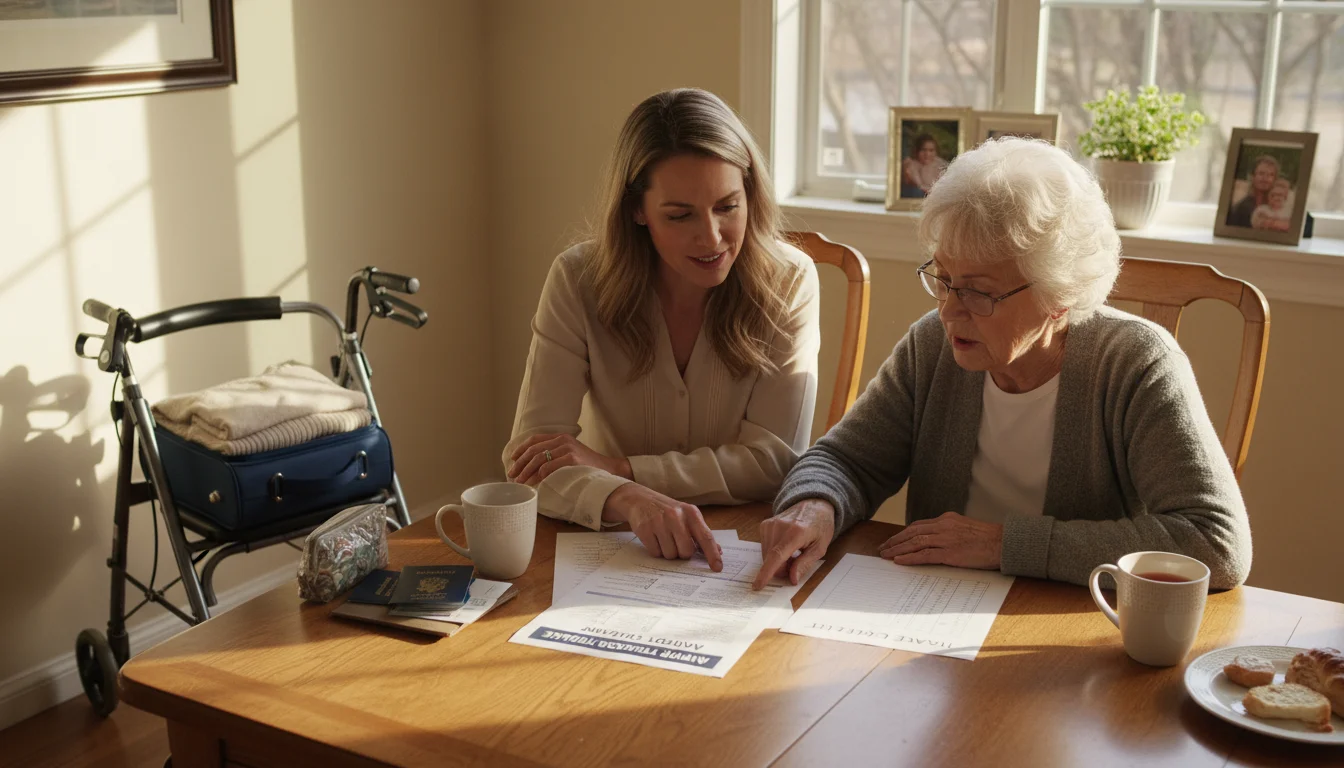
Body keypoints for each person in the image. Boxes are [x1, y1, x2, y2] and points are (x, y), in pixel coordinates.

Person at [753, 137, 1252, 591]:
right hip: (930, 611)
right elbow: (846, 460)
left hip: (1064, 630)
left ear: (1061, 296)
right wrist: (814, 505)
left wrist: (1004, 546)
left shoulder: (1137, 363)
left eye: (979, 291)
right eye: (944, 278)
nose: (950, 309)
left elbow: (1215, 542)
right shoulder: (932, 346)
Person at [504, 88, 821, 572]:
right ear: (637, 211)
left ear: (750, 194)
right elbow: (532, 464)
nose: (712, 237)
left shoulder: (789, 280)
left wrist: (622, 470)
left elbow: (773, 463)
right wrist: (629, 500)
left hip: (743, 552)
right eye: (680, 216)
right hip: (610, 546)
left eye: (727, 206)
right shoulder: (577, 279)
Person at [1226, 154, 1280, 228]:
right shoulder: (1240, 209)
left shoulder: (1281, 207)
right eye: (1261, 173)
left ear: (1275, 179)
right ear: (1252, 177)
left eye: (1270, 175)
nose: (1265, 178)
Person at [901, 133, 949, 198]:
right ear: (917, 151)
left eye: (931, 150)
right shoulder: (911, 164)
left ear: (936, 151)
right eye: (923, 150)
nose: (927, 154)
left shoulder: (941, 164)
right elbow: (920, 186)